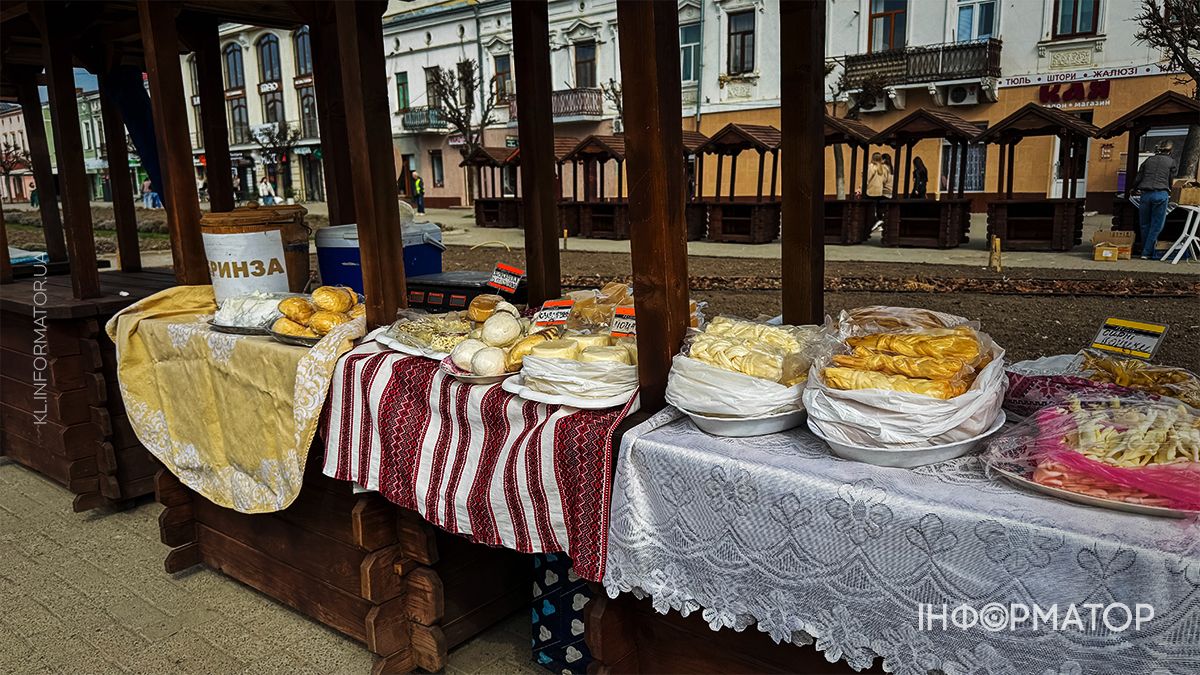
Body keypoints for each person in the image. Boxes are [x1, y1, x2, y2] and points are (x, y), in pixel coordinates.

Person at [1130, 141, 1177, 259]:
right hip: (1161, 194)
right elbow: (1171, 179)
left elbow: (1138, 177)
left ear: (1159, 149)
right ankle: (1147, 252)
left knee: (1144, 224)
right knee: (1156, 225)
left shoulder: (1148, 160)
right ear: (1170, 151)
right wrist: (1171, 190)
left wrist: (1134, 189)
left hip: (1145, 195)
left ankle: (1146, 251)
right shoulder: (1171, 162)